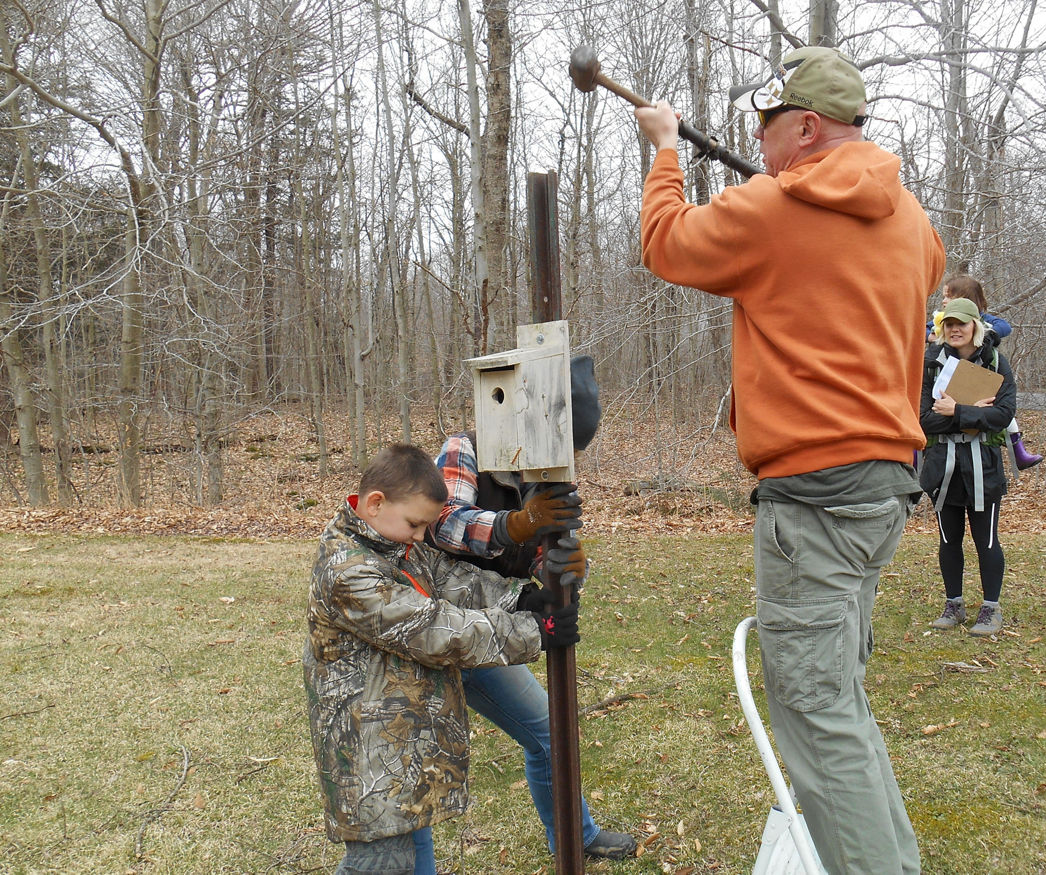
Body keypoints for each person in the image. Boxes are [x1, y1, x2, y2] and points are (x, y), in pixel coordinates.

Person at [634, 45, 944, 875]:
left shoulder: (772, 206)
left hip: (814, 495)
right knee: (837, 703)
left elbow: (666, 243)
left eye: (769, 126)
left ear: (807, 127)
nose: (761, 141)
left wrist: (665, 147)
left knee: (814, 713)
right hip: (884, 487)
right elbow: (924, 276)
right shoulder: (913, 221)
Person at [303, 443, 583, 875]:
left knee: (411, 855)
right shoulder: (349, 571)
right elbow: (433, 630)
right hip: (367, 753)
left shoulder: (394, 546)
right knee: (381, 862)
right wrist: (534, 632)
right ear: (375, 503)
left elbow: (452, 580)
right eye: (416, 524)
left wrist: (522, 598)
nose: (421, 536)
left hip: (401, 744)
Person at [416, 356, 637, 866]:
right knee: (410, 764)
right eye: (564, 441)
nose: (563, 456)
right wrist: (513, 525)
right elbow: (442, 522)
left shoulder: (547, 470)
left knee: (548, 731)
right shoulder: (464, 448)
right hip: (437, 625)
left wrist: (567, 566)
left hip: (493, 624)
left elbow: (547, 556)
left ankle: (575, 837)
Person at [919, 298, 1017, 636]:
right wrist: (974, 413)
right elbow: (923, 420)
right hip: (942, 467)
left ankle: (990, 608)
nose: (955, 329)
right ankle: (954, 604)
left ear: (976, 325)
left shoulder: (994, 363)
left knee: (986, 539)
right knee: (949, 540)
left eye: (962, 323)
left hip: (983, 469)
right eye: (949, 324)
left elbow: (1003, 416)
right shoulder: (931, 364)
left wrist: (957, 411)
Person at [928, 274, 1042, 469]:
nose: (944, 301)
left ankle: (1018, 450)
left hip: (978, 376)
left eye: (949, 296)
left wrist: (988, 334)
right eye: (950, 325)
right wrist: (932, 336)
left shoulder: (985, 326)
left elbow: (1004, 327)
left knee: (1005, 414)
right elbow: (925, 418)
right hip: (941, 459)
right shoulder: (938, 326)